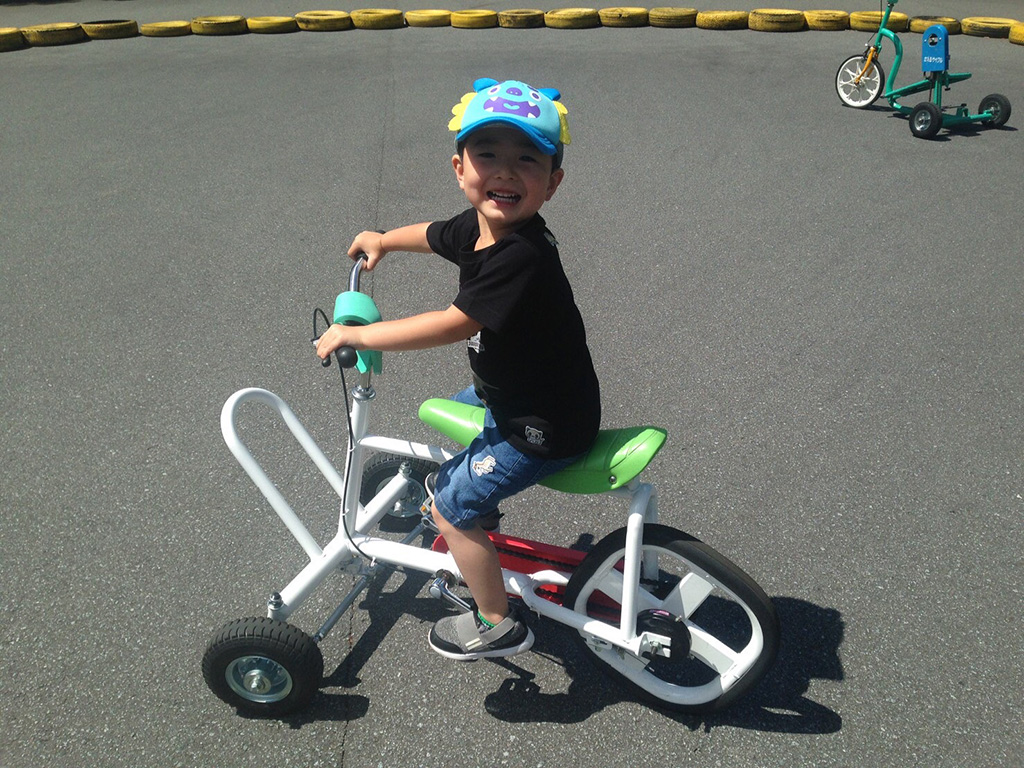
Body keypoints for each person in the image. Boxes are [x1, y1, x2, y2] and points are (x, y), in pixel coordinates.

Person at [316, 78, 601, 660]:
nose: (505, 171)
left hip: (542, 426)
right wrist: (384, 241)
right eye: (488, 155)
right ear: (459, 167)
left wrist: (358, 334)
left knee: (448, 507)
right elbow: (433, 234)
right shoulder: (480, 227)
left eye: (527, 159)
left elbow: (452, 324)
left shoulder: (521, 255)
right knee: (452, 439)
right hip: (519, 395)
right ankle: (481, 540)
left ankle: (498, 622)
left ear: (553, 182)